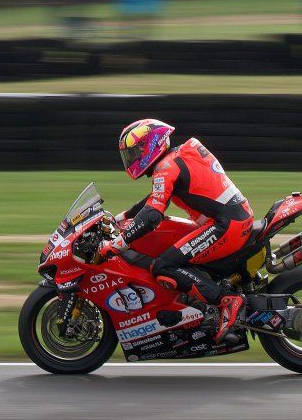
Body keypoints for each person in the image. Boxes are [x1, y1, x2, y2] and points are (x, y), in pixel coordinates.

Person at [100, 118, 252, 339]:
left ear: (150, 145)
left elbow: (152, 215)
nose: (132, 159)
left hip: (225, 226)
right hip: (231, 220)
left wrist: (118, 244)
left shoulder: (167, 166)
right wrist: (122, 217)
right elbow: (156, 198)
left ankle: (227, 301)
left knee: (163, 265)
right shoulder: (177, 156)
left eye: (135, 152)